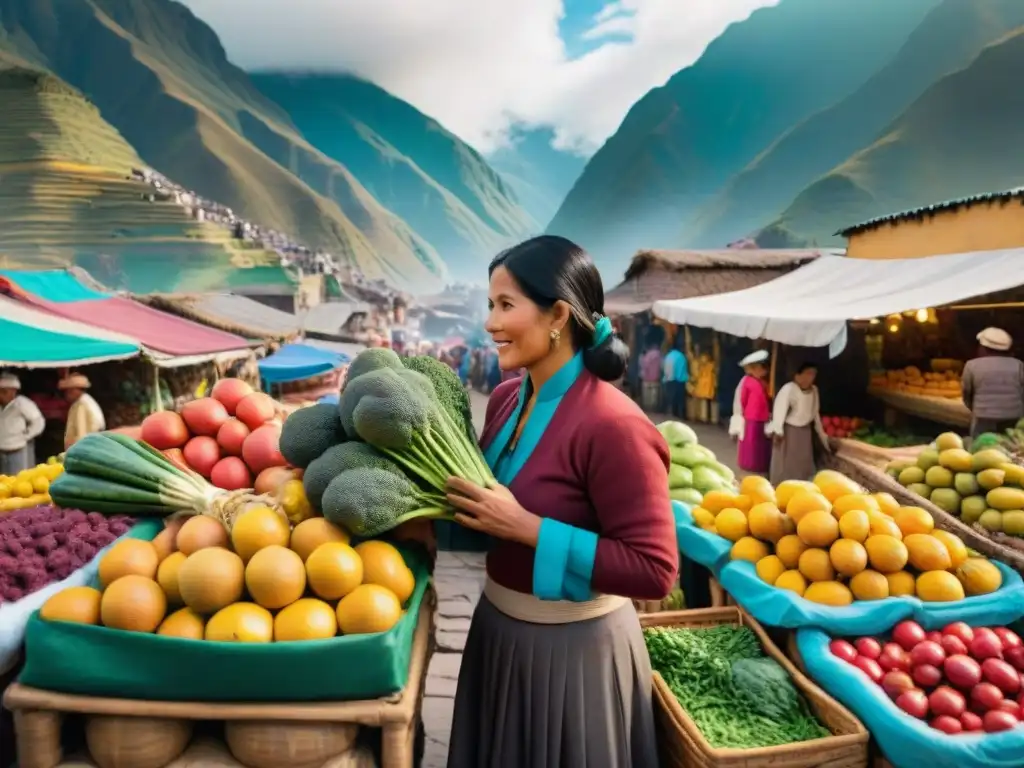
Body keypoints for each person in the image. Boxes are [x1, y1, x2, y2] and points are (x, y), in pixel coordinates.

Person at [444, 235, 678, 767]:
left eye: (506, 305)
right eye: (489, 305)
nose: (490, 323)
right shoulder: (505, 401)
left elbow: (655, 569)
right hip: (495, 637)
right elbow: (486, 518)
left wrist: (528, 527)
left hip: (576, 658)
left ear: (558, 316)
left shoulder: (614, 425)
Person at [767, 363, 830, 484]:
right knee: (787, 463)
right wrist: (778, 430)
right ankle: (782, 486)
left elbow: (815, 413)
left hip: (805, 433)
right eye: (807, 373)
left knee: (802, 462)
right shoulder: (789, 389)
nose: (810, 377)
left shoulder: (814, 390)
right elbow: (780, 410)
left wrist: (822, 435)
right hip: (789, 432)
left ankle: (801, 487)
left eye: (813, 374)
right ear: (797, 376)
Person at [962, 327, 1024, 439]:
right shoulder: (1018, 365)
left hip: (984, 417)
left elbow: (967, 393)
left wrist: (976, 408)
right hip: (1013, 417)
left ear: (983, 348)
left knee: (981, 449)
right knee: (1011, 449)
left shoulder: (971, 365)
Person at [728, 350, 772, 473]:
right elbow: (741, 400)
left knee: (760, 444)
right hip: (750, 418)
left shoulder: (763, 382)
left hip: (762, 418)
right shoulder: (746, 381)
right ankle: (748, 465)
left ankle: (760, 465)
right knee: (750, 443)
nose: (763, 372)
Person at [0, 373, 46, 474]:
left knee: (19, 478)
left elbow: (38, 422)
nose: (1, 395)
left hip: (18, 449)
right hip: (2, 449)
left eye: (4, 392)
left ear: (13, 392)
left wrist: (27, 435)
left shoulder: (22, 403)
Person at [60, 373, 105, 450]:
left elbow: (81, 433)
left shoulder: (82, 405)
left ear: (75, 390)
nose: (66, 394)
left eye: (68, 391)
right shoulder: (84, 401)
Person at [662, 339, 689, 418]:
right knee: (680, 400)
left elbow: (664, 368)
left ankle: (672, 413)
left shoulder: (668, 356)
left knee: (671, 398)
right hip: (679, 380)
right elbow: (683, 370)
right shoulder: (682, 356)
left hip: (668, 379)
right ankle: (681, 415)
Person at [638, 342, 663, 412]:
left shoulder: (647, 355)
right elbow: (662, 367)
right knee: (654, 395)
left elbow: (644, 366)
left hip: (646, 378)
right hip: (656, 379)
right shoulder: (660, 355)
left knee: (647, 395)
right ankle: (654, 408)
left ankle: (647, 408)